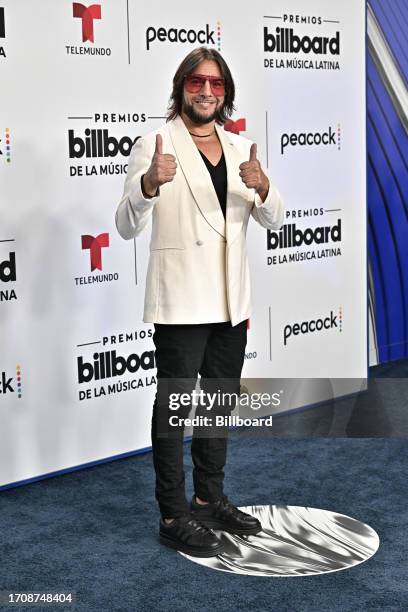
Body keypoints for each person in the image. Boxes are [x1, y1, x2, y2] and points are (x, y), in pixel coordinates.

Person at [116, 47, 284, 557]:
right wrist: (149, 185)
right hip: (181, 300)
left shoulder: (242, 148)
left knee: (217, 407)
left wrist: (265, 187)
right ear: (181, 88)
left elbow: (273, 220)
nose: (206, 91)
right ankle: (173, 514)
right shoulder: (155, 143)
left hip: (231, 301)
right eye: (196, 83)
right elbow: (126, 225)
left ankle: (209, 499)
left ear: (225, 92)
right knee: (174, 409)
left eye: (215, 84)